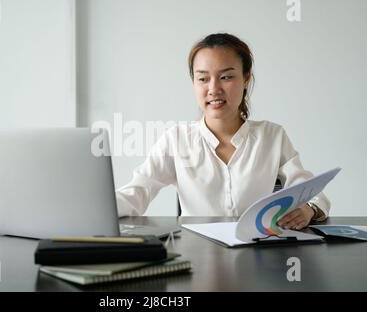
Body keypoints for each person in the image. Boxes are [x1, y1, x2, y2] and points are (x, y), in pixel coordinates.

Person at [116, 33, 329, 230]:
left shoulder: (272, 136)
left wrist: (308, 209)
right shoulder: (176, 140)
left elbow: (312, 192)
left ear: (246, 79)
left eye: (226, 77)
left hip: (257, 254)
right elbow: (136, 193)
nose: (213, 88)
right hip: (197, 256)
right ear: (194, 83)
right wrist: (90, 211)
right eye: (203, 78)